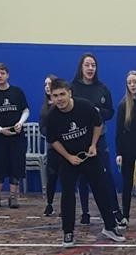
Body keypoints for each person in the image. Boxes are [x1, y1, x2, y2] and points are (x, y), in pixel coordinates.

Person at [45, 79, 126, 246]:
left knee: (101, 190)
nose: (59, 99)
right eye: (55, 95)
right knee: (67, 194)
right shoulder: (51, 117)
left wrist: (93, 145)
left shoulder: (85, 106)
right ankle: (68, 232)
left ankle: (110, 227)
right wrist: (68, 157)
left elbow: (98, 124)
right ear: (51, 97)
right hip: (68, 159)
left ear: (69, 93)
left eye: (62, 94)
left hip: (89, 157)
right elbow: (53, 141)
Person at [71, 53, 125, 227]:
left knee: (106, 175)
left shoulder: (102, 88)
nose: (90, 68)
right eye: (87, 65)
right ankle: (85, 212)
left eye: (93, 65)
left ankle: (115, 211)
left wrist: (98, 111)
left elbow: (110, 112)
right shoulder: (73, 87)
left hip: (99, 137)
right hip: (79, 138)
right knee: (82, 177)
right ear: (81, 67)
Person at [0, 63, 29, 209]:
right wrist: (0, 129)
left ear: (7, 75)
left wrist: (20, 123)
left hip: (17, 137)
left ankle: (13, 197)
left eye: (2, 73)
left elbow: (25, 110)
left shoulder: (17, 92)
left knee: (16, 165)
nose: (0, 76)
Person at [115, 70, 136, 224]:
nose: (132, 85)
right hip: (127, 150)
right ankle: (125, 215)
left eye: (135, 82)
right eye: (129, 82)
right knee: (127, 183)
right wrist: (119, 153)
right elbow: (119, 131)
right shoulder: (123, 105)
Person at [39, 73, 60, 216]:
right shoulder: (44, 108)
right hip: (52, 147)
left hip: (66, 147)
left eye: (50, 84)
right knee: (51, 176)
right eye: (45, 85)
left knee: (67, 178)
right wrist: (51, 136)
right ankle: (49, 204)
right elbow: (42, 127)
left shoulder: (62, 104)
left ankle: (66, 205)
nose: (47, 87)